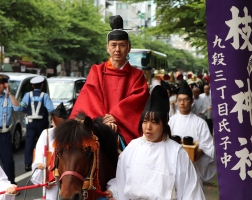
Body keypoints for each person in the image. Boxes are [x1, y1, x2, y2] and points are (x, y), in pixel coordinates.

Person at [105, 85, 205, 200]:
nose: (148, 127)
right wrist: (113, 191)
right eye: (145, 121)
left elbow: (191, 192)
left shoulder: (177, 153)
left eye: (154, 122)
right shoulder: (132, 147)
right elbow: (122, 181)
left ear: (165, 123)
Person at [70, 15, 150, 146]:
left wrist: (117, 117)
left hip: (124, 128)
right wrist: (104, 122)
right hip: (98, 126)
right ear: (107, 47)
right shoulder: (96, 70)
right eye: (113, 45)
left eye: (122, 45)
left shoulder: (137, 75)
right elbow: (90, 98)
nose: (117, 49)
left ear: (129, 48)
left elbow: (138, 101)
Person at [168, 81, 216, 184]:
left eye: (186, 100)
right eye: (180, 100)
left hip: (193, 167)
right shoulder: (171, 121)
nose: (182, 103)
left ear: (192, 101)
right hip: (173, 166)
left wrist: (201, 151)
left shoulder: (200, 123)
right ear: (176, 101)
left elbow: (208, 145)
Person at [13, 76, 54, 171]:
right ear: (42, 86)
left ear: (32, 86)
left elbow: (21, 107)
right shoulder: (45, 96)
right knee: (44, 143)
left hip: (30, 124)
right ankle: (44, 163)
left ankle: (28, 165)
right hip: (42, 124)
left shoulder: (28, 95)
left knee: (29, 144)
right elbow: (51, 109)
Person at [31, 102, 68, 199]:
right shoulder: (46, 133)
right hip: (49, 171)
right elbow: (39, 151)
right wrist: (39, 163)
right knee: (51, 197)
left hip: (65, 173)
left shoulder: (69, 135)